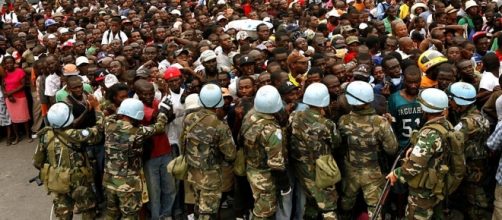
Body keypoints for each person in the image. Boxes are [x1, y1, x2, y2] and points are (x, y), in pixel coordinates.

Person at [386, 88, 459, 219]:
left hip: (423, 191)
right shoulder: (446, 124)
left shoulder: (428, 134)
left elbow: (413, 166)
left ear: (424, 109)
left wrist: (396, 174)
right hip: (438, 182)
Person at [32, 97, 103, 220]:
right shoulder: (77, 135)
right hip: (79, 182)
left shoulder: (45, 136)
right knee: (88, 209)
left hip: (57, 182)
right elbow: (99, 131)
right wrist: (97, 109)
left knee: (63, 213)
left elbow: (37, 162)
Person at [103, 98, 171, 219]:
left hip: (108, 180)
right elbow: (159, 127)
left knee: (111, 213)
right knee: (129, 215)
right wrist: (162, 113)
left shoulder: (108, 125)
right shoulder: (137, 132)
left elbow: (109, 117)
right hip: (128, 184)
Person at [338, 81, 398, 219]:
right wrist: (389, 126)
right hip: (374, 172)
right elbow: (392, 149)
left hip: (350, 171)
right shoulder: (380, 122)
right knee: (375, 207)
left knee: (346, 203)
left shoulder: (343, 120)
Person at [181, 83, 236, 220]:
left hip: (193, 173)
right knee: (208, 212)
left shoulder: (189, 119)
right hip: (211, 176)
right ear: (219, 103)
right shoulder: (220, 126)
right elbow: (230, 154)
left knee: (199, 206)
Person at [289, 83, 340, 219]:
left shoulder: (294, 116)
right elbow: (336, 143)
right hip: (322, 168)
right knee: (328, 204)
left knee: (312, 200)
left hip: (300, 166)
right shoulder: (327, 124)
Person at [240, 85, 290, 220]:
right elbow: (276, 164)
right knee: (264, 211)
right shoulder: (272, 130)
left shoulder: (249, 116)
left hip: (251, 169)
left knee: (259, 204)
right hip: (265, 176)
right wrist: (285, 186)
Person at [447, 82, 491, 219]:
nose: (449, 103)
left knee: (476, 201)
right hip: (479, 164)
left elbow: (450, 139)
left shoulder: (467, 123)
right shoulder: (479, 115)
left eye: (451, 100)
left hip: (472, 168)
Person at [2, 56, 31, 145]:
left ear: (14, 63)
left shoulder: (20, 71)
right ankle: (17, 136)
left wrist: (10, 93)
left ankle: (28, 135)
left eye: (11, 62)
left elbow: (23, 85)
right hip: (9, 99)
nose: (9, 64)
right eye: (7, 63)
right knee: (14, 120)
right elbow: (2, 86)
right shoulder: (4, 73)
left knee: (24, 118)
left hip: (20, 97)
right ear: (4, 64)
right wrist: (7, 95)